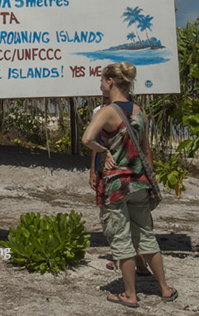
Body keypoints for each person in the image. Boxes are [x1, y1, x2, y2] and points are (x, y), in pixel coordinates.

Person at [82, 62, 177, 307]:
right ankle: (165, 288)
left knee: (121, 238)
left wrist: (104, 152)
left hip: (116, 185)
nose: (100, 84)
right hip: (139, 183)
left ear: (111, 82)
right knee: (146, 236)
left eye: (102, 80)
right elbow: (146, 150)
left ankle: (130, 294)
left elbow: (87, 139)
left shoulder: (107, 111)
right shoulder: (140, 112)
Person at [88, 98, 152, 277]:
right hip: (111, 170)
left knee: (129, 221)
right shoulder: (101, 111)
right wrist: (94, 169)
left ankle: (137, 262)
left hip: (130, 171)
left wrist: (149, 170)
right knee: (118, 221)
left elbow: (144, 146)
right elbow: (97, 142)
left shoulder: (136, 112)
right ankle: (126, 260)